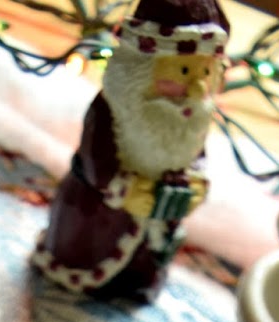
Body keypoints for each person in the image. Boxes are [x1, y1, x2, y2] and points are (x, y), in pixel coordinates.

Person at [32, 0, 229, 301]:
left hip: (158, 217)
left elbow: (195, 151)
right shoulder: (109, 108)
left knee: (147, 256)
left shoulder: (192, 114)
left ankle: (138, 281)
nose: (197, 90)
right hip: (99, 215)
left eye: (206, 73)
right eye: (184, 72)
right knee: (90, 252)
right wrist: (127, 190)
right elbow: (96, 162)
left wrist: (195, 181)